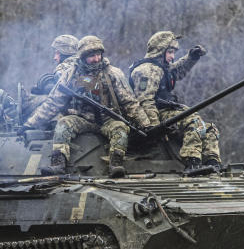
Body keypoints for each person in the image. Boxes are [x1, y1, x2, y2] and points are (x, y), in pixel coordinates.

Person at [22, 35, 149, 178]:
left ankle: (116, 164)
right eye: (91, 56)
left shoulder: (113, 73)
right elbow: (54, 102)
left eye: (98, 55)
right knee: (63, 124)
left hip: (108, 119)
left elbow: (129, 102)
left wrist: (146, 125)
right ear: (82, 57)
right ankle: (58, 164)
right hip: (81, 118)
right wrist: (30, 124)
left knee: (120, 128)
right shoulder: (70, 74)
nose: (96, 59)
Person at [129, 30, 221, 171]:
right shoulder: (147, 70)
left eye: (173, 52)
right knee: (193, 122)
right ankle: (192, 162)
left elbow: (177, 71)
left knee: (208, 128)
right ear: (160, 51)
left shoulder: (161, 68)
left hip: (168, 111)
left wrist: (191, 58)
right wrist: (155, 128)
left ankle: (212, 162)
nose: (172, 57)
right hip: (156, 115)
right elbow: (144, 101)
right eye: (170, 52)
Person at [22, 34, 79, 117]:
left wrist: (47, 88)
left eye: (57, 53)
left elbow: (64, 94)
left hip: (72, 112)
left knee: (39, 102)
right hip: (79, 111)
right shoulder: (81, 64)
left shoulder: (64, 66)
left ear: (65, 52)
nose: (55, 58)